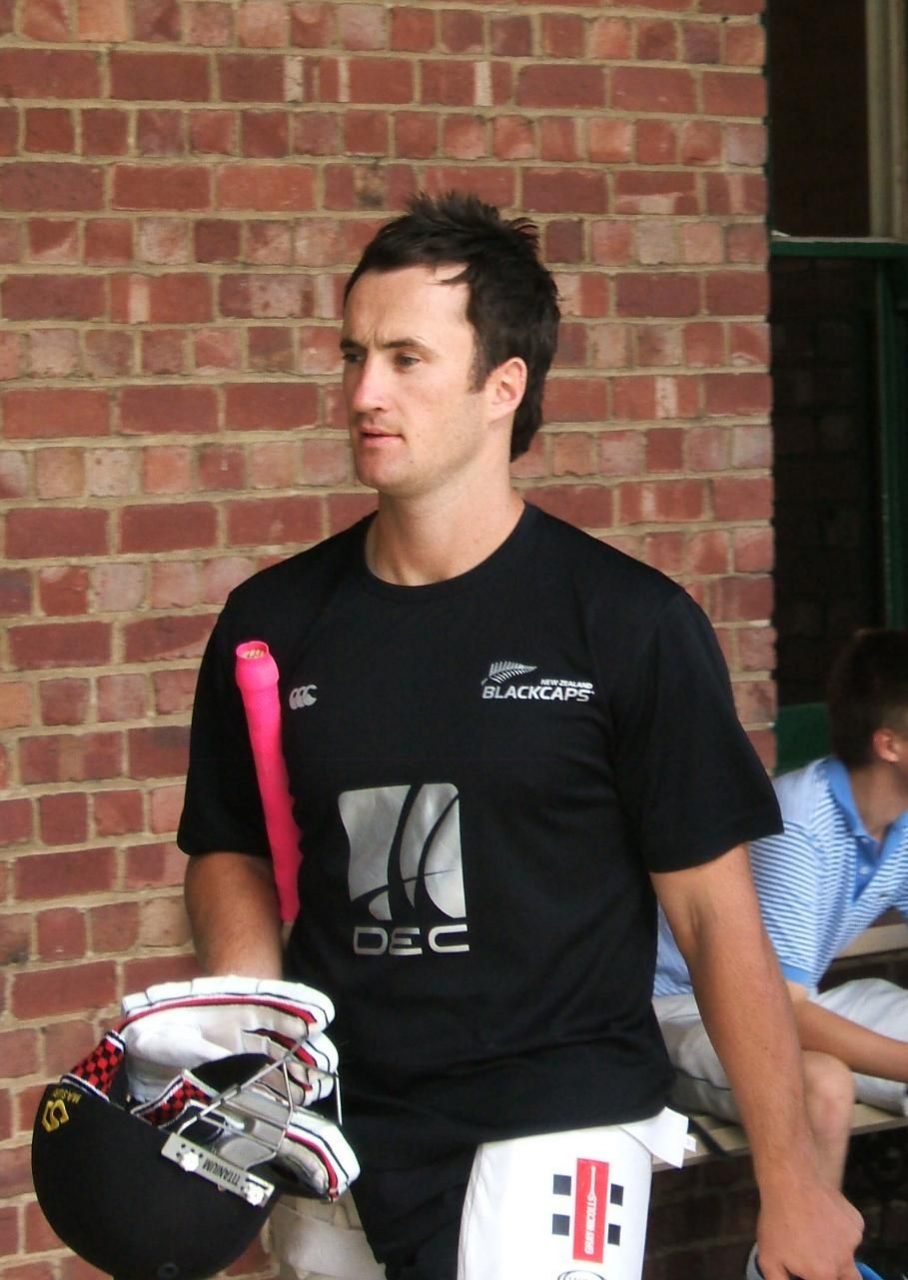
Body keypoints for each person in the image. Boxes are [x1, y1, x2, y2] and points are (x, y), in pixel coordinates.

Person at [177, 191, 862, 1280]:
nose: (362, 392)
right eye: (354, 353)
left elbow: (712, 911)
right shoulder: (272, 625)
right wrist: (258, 1034)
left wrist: (790, 1179)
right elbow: (229, 847)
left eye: (406, 358)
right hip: (343, 1122)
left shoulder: (627, 624)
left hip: (559, 1116)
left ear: (505, 386)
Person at [655, 627, 908, 1275]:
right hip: (681, 1008)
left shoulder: (901, 821)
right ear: (891, 745)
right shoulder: (799, 822)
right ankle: (794, 1271)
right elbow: (784, 1016)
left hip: (790, 1000)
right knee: (822, 1084)